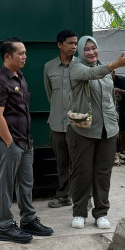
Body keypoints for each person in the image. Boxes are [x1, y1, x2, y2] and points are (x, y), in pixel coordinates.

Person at [0, 38, 53, 244]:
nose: (25, 56)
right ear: (7, 57)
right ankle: (5, 225)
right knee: (5, 184)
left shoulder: (20, 78)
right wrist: (9, 142)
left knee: (26, 183)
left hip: (24, 140)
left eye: (25, 53)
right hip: (7, 141)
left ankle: (28, 219)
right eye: (20, 53)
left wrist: (22, 141)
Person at [66, 37, 125, 230]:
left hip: (108, 129)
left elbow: (109, 96)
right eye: (86, 49)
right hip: (84, 129)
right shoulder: (75, 67)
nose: (91, 52)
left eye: (94, 48)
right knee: (82, 173)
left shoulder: (106, 70)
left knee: (103, 173)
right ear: (80, 51)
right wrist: (114, 64)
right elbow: (91, 73)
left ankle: (101, 213)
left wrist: (113, 118)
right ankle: (79, 212)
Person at [42, 29, 78, 208]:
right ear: (59, 45)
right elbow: (50, 94)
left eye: (76, 43)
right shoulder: (49, 67)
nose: (74, 46)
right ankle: (63, 196)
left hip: (78, 124)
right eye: (70, 43)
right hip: (57, 123)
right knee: (62, 162)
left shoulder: (82, 66)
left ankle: (81, 198)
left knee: (80, 163)